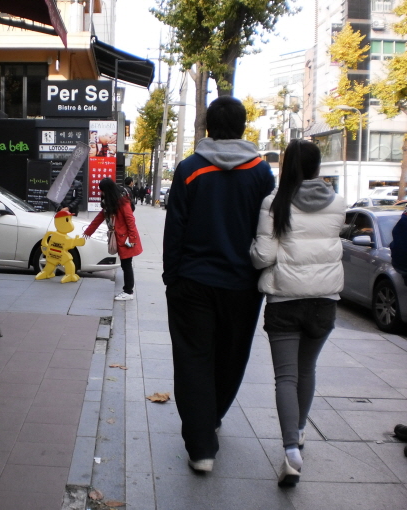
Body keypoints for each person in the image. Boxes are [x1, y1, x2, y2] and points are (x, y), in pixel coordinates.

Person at [163, 96, 275, 473]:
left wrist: (171, 277)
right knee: (231, 356)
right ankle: (211, 417)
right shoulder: (261, 172)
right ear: (243, 127)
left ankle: (201, 449)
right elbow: (269, 230)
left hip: (192, 281)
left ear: (208, 127)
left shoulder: (190, 169)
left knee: (193, 359)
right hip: (243, 286)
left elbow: (175, 228)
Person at [250, 139, 345, 486]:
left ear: (287, 165)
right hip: (324, 299)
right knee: (307, 369)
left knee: (286, 377)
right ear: (318, 167)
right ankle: (301, 431)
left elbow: (263, 256)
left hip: (285, 299)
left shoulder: (275, 203)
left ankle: (291, 451)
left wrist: (252, 251)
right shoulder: (338, 203)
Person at [84, 177, 142, 300]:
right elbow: (100, 217)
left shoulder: (122, 202)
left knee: (126, 265)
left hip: (126, 239)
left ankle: (128, 292)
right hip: (121, 238)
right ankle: (128, 291)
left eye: (103, 190)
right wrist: (88, 232)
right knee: (125, 265)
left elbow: (130, 221)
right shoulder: (111, 202)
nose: (101, 193)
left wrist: (132, 239)